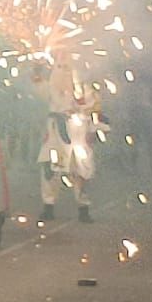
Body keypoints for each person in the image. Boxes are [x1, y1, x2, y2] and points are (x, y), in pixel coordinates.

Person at [39, 54, 100, 225]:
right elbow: (38, 89)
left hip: (79, 131)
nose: (64, 71)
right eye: (60, 67)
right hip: (57, 132)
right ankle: (48, 205)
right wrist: (36, 69)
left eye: (67, 68)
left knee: (82, 171)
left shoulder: (85, 87)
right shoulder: (51, 86)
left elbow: (94, 109)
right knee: (51, 170)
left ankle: (84, 208)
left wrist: (93, 130)